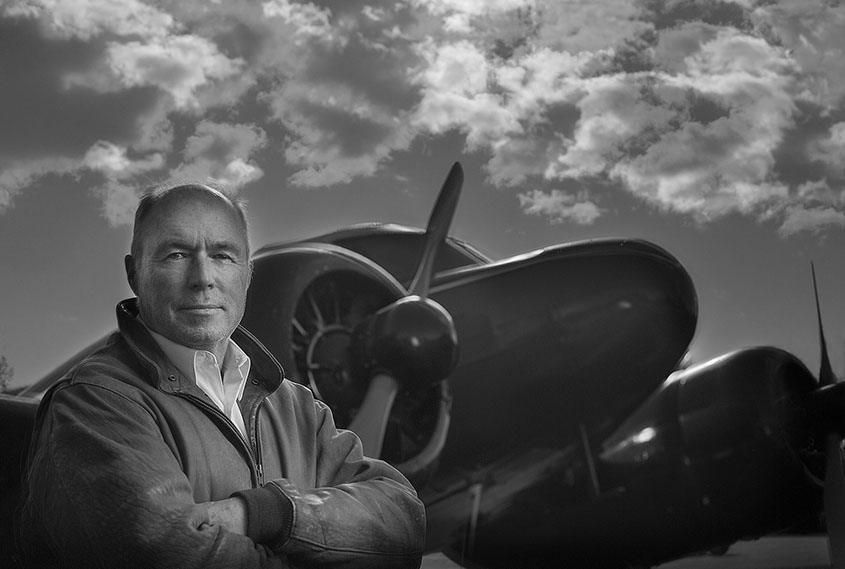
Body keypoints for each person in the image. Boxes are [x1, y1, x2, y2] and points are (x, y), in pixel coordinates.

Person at [19, 183, 425, 568]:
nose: (202, 278)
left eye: (223, 256)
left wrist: (269, 514)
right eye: (176, 254)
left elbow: (404, 522)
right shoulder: (94, 399)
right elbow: (168, 555)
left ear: (247, 273)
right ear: (134, 272)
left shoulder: (298, 407)